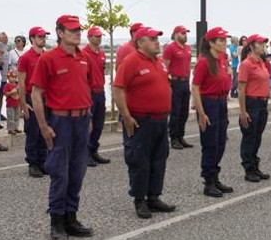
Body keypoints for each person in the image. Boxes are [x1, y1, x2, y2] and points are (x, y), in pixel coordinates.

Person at [30, 15, 95, 240]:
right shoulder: (48, 59)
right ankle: (56, 221)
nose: (78, 33)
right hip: (60, 123)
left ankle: (71, 217)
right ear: (59, 33)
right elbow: (36, 93)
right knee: (60, 173)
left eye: (79, 30)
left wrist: (88, 116)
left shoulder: (84, 57)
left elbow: (84, 87)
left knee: (77, 172)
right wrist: (43, 126)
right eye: (72, 30)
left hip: (81, 121)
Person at [113, 26, 177, 219]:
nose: (157, 42)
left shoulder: (159, 62)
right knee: (139, 161)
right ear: (140, 42)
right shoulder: (131, 61)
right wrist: (126, 116)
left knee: (159, 159)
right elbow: (118, 89)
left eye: (157, 38)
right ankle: (140, 199)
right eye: (152, 39)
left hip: (160, 120)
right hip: (141, 120)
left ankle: (154, 197)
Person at [191, 27, 235, 197]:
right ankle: (208, 181)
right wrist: (201, 113)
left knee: (221, 141)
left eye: (225, 40)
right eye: (221, 40)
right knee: (210, 143)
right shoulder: (204, 62)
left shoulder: (223, 58)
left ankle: (215, 176)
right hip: (208, 103)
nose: (224, 43)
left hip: (221, 102)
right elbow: (195, 87)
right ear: (211, 43)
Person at [238, 34, 271, 182]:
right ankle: (248, 169)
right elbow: (241, 88)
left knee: (257, 137)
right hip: (251, 103)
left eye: (264, 43)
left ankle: (255, 165)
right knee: (249, 137)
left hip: (262, 104)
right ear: (252, 46)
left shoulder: (261, 63)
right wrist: (243, 111)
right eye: (260, 43)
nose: (264, 45)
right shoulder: (247, 64)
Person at [19, 26, 50, 177]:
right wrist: (23, 103)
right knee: (33, 131)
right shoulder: (25, 58)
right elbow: (21, 82)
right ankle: (32, 163)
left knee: (44, 129)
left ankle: (43, 161)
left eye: (44, 36)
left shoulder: (47, 56)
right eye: (40, 37)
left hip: (45, 97)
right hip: (31, 96)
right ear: (32, 39)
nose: (43, 39)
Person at [82, 26, 111, 166]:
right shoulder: (84, 54)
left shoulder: (101, 53)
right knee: (89, 125)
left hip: (101, 91)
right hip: (90, 92)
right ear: (89, 37)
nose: (99, 39)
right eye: (96, 36)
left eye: (100, 36)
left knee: (99, 125)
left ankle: (94, 150)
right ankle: (85, 154)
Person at [163, 25, 194, 151]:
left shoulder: (188, 48)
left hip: (185, 82)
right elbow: (165, 67)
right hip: (175, 82)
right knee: (175, 112)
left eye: (185, 33)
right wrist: (167, 83)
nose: (185, 35)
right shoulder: (170, 48)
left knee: (184, 112)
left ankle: (181, 136)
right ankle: (173, 138)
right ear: (175, 34)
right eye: (182, 33)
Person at [3, 70, 21, 135]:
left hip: (17, 103)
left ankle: (16, 127)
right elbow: (5, 94)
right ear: (8, 78)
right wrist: (11, 92)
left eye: (14, 77)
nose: (13, 78)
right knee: (11, 116)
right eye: (11, 77)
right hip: (10, 104)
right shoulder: (7, 85)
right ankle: (10, 129)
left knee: (16, 116)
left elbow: (20, 93)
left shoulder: (17, 85)